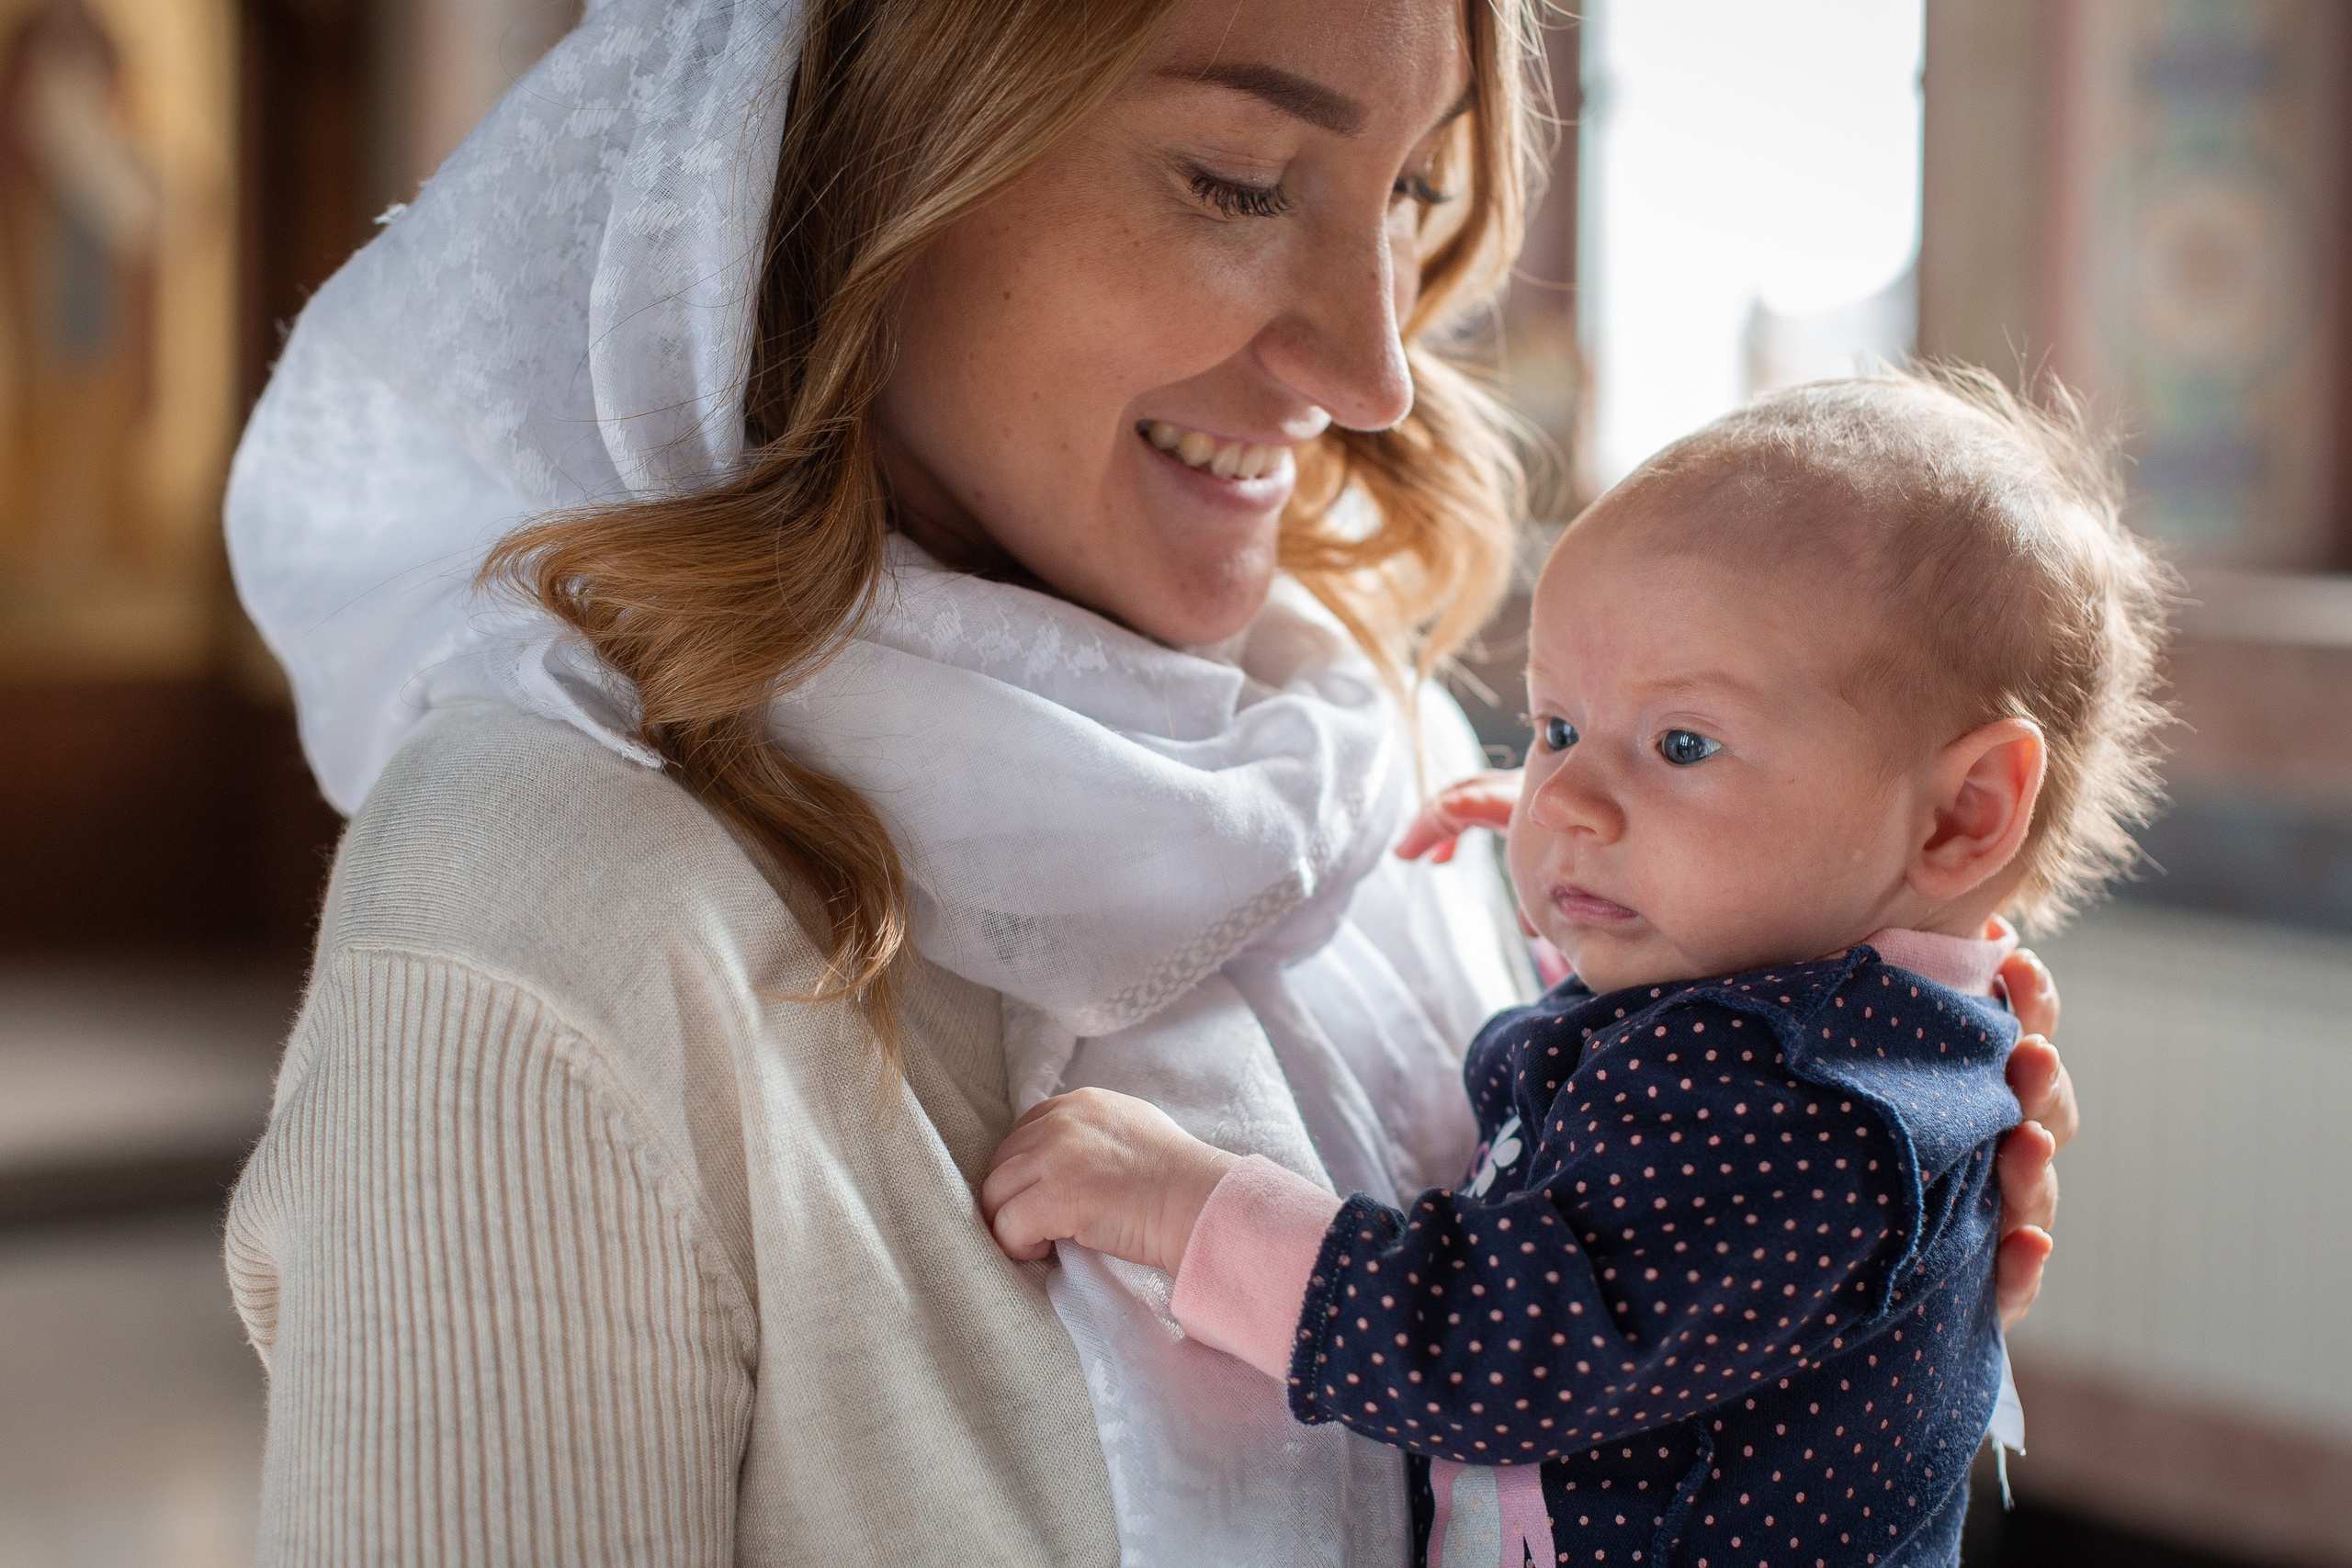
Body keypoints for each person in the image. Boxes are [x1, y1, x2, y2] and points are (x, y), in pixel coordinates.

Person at [220, 0, 2077, 1561]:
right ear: (849, 163)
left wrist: (1823, 1285)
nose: (1373, 369)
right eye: (1238, 181)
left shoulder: (1393, 767)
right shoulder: (539, 910)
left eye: (1410, 194)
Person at [980, 368, 2160, 1567]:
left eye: (1682, 743)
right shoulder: (1859, 1027)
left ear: (1964, 813)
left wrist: (1185, 1208)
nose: (1565, 800)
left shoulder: (1802, 1099)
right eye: (1557, 729)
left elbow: (1504, 1351)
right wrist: (1613, 858)